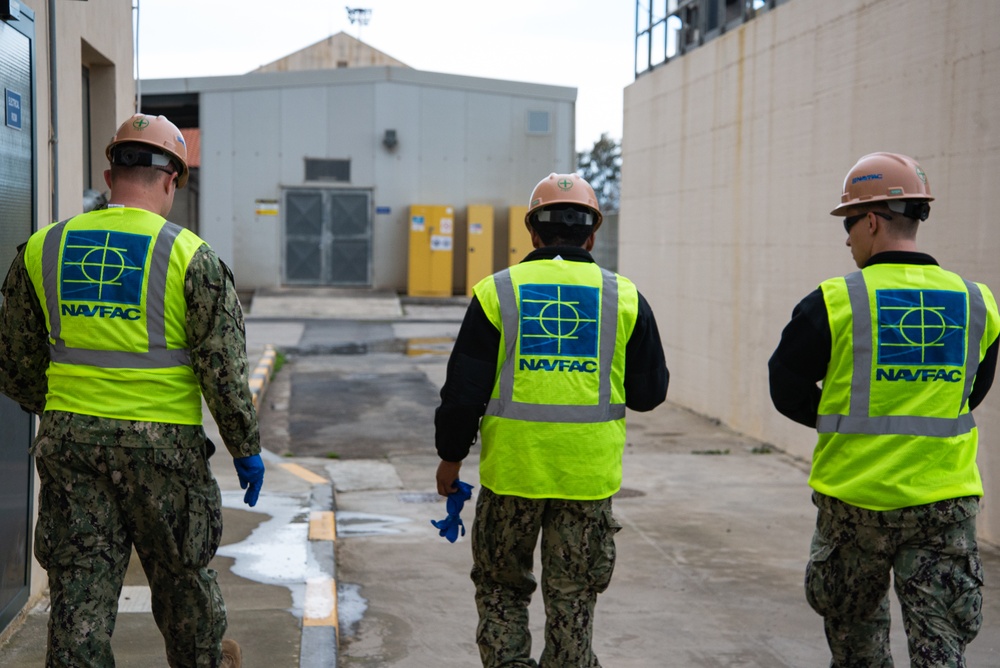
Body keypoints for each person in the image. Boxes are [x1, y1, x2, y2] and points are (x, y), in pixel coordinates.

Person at [0, 113, 265, 668]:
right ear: (171, 179)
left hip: (71, 446)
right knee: (183, 584)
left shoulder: (41, 249)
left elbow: (17, 364)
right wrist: (246, 448)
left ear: (108, 173)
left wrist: (61, 411)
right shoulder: (193, 258)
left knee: (79, 599)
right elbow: (224, 373)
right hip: (164, 454)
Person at [768, 152, 1000, 666]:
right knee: (941, 650)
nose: (846, 237)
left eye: (848, 223)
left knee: (856, 648)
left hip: (855, 504)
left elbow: (784, 387)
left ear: (870, 220)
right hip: (944, 503)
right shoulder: (977, 301)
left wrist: (845, 420)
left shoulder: (832, 302)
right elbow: (971, 393)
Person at [434, 173, 669, 667]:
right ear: (592, 234)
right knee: (572, 599)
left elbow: (462, 395)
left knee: (501, 589)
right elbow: (650, 394)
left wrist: (450, 461)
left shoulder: (498, 291)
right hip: (587, 481)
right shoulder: (623, 296)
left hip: (512, 475)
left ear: (533, 233)